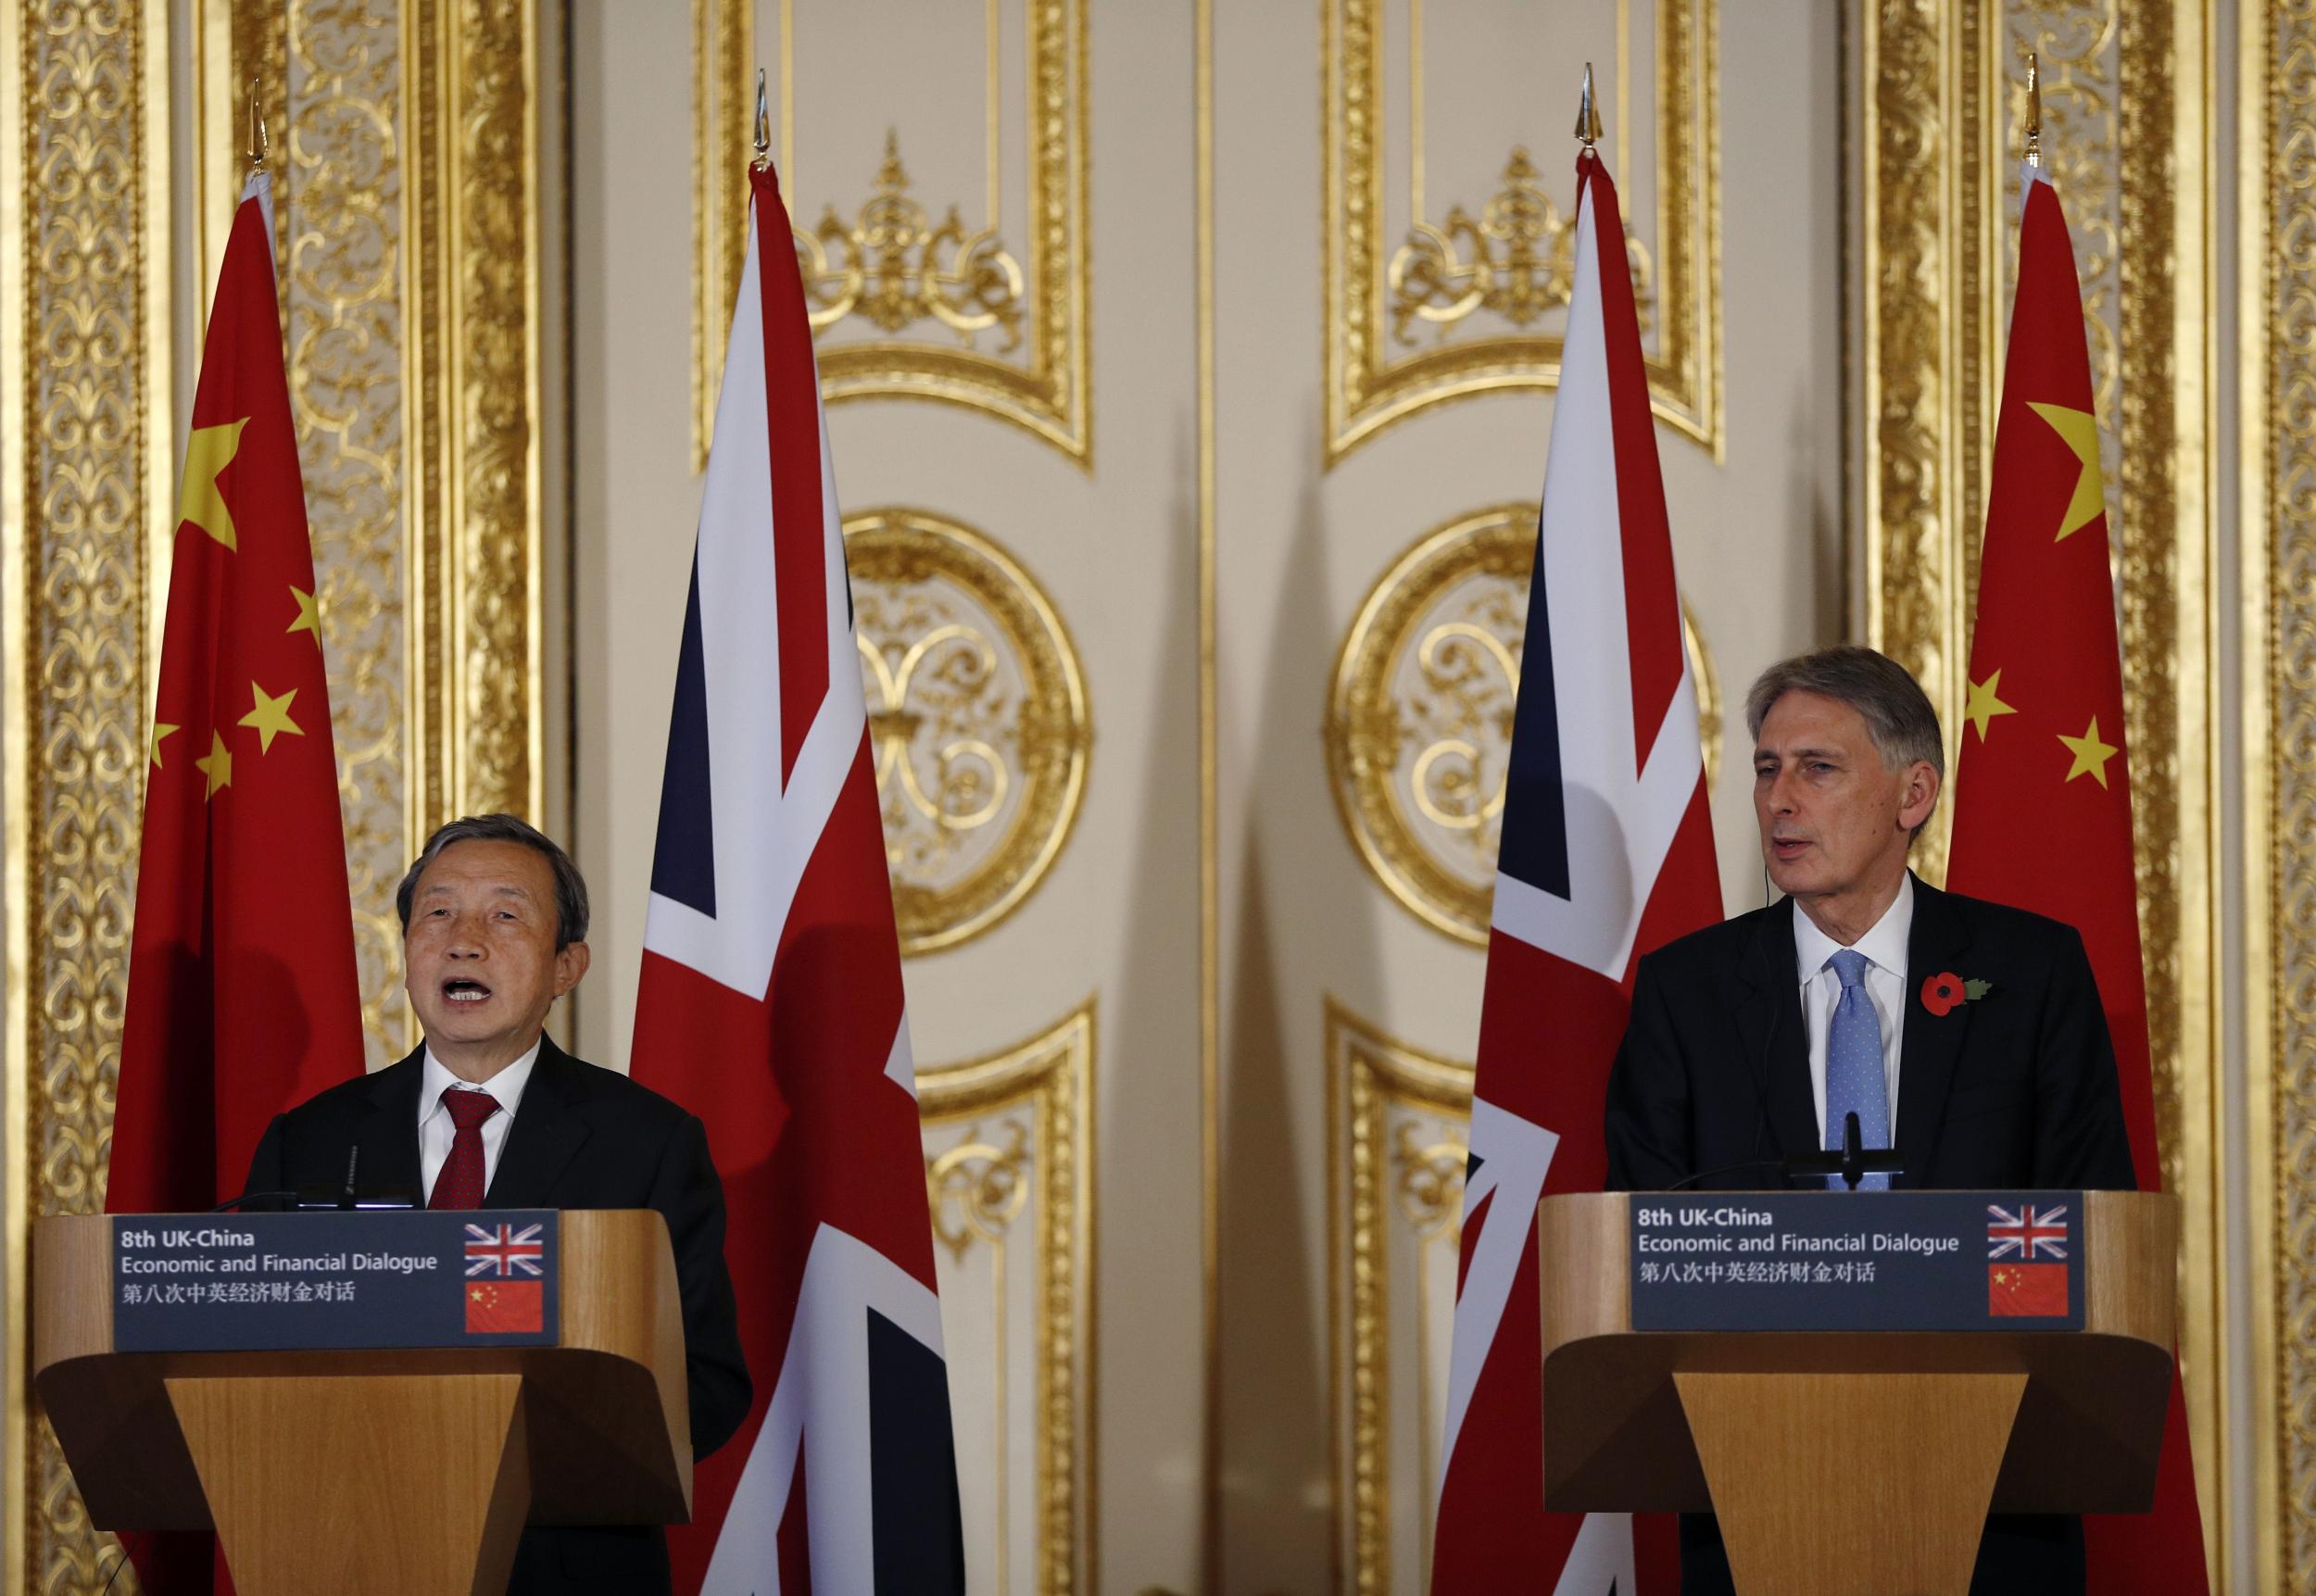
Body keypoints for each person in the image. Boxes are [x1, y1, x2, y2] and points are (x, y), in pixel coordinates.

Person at [1604, 646, 2135, 1596]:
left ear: (1912, 792)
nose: (1778, 798)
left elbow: (2092, 1224)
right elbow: (1642, 1240)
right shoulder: (1685, 992)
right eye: (1766, 768)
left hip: (1994, 1505)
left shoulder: (2029, 975)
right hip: (1754, 1492)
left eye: (1817, 767)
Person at [244, 813, 750, 1596]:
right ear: (407, 949)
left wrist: (507, 1447)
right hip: (343, 1554)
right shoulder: (308, 1141)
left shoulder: (645, 1144)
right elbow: (245, 1353)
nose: (464, 938)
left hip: (562, 1568)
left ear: (565, 965)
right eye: (437, 912)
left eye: (505, 914)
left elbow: (708, 1386)